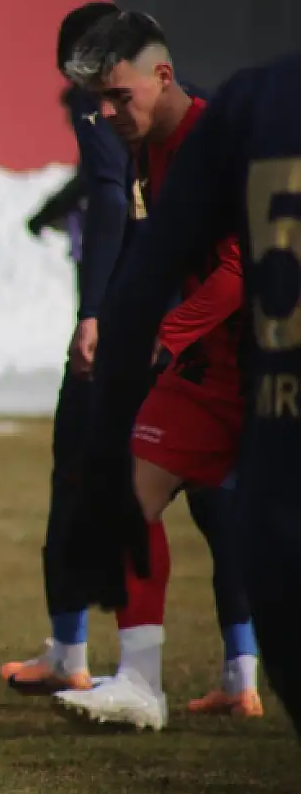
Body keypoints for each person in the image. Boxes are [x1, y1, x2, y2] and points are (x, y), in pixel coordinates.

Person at [69, 50, 301, 737]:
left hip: (246, 374)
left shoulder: (232, 117)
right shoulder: (246, 110)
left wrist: (158, 332)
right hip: (220, 376)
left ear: (161, 77)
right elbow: (162, 266)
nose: (104, 113)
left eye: (116, 95)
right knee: (137, 490)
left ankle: (235, 673)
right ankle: (144, 678)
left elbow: (223, 270)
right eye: (95, 101)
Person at [5, 3, 128, 696]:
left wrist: (95, 311)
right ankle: (238, 666)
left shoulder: (98, 107)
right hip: (188, 317)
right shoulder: (189, 108)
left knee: (80, 479)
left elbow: (107, 192)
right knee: (203, 492)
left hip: (121, 325)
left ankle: (72, 652)